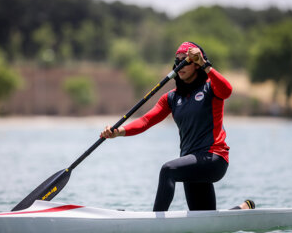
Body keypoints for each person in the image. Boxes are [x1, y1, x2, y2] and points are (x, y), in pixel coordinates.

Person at [100, 41, 254, 211]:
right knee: (203, 222)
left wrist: (205, 64)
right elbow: (145, 121)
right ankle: (243, 209)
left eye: (186, 60)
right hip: (190, 162)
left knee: (168, 170)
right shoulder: (171, 98)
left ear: (196, 65)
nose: (180, 65)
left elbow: (227, 91)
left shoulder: (211, 88)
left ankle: (155, 223)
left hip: (213, 159)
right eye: (177, 60)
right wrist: (118, 132)